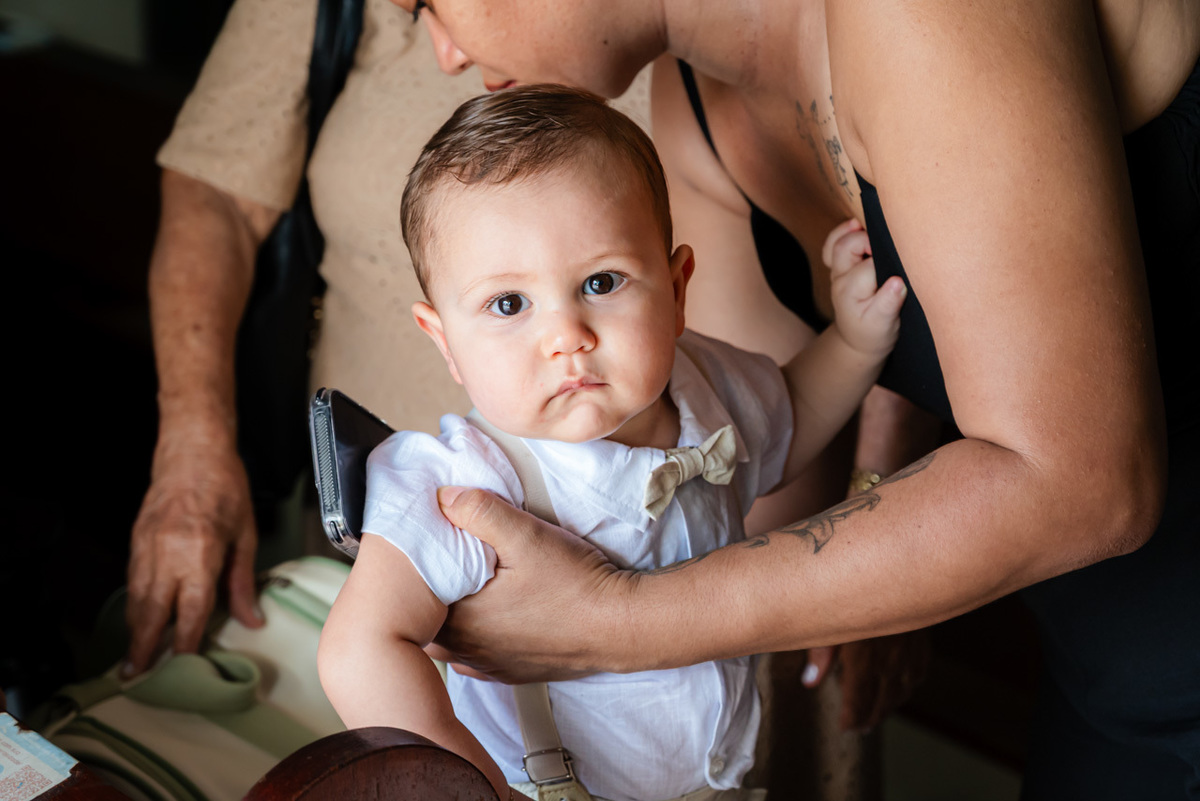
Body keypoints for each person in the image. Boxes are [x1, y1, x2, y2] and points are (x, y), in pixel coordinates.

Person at [392, 0, 1200, 797]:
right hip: (1093, 662)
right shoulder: (694, 103)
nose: (445, 53)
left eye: (428, 1)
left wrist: (610, 622)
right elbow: (747, 465)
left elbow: (1085, 483)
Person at [317, 84, 906, 801]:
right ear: (446, 343)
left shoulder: (708, 387)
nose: (567, 335)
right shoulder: (464, 482)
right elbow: (358, 649)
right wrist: (473, 791)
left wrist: (853, 342)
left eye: (601, 282)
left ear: (677, 290)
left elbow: (796, 415)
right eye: (509, 303)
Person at [121, 0, 652, 678]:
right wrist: (194, 447)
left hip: (665, 556)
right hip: (367, 541)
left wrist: (781, 581)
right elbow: (216, 189)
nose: (447, 57)